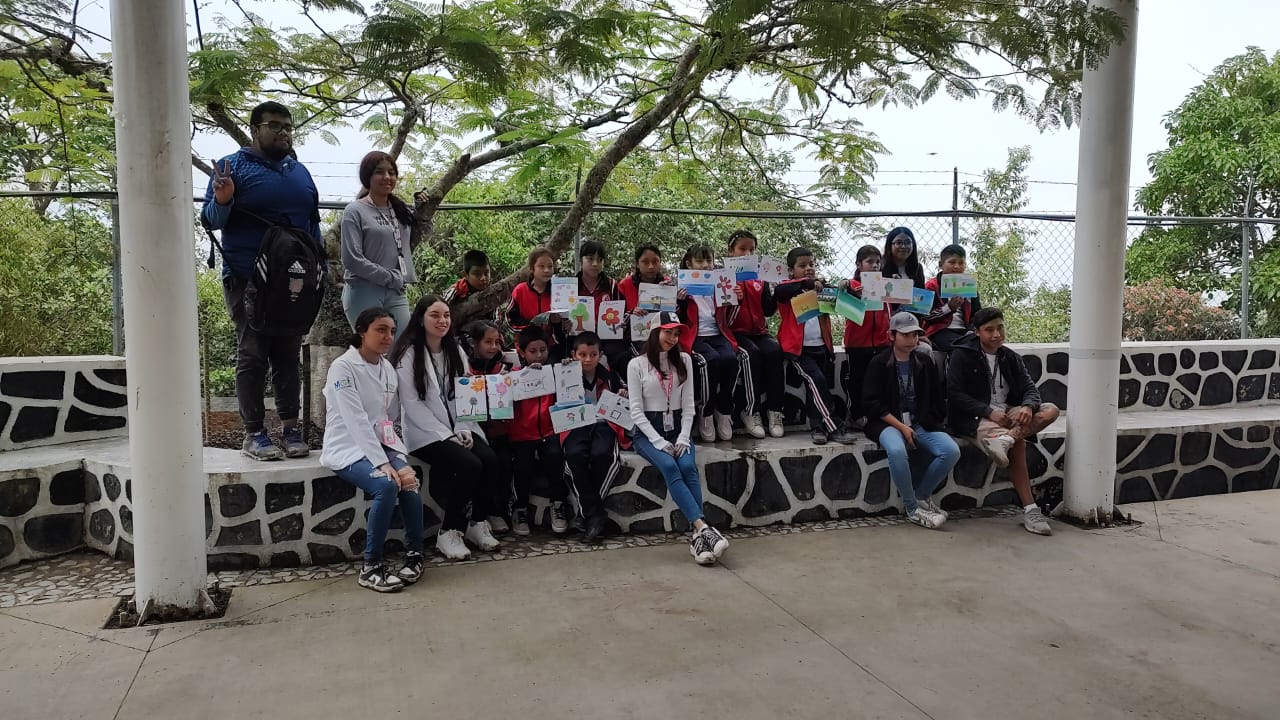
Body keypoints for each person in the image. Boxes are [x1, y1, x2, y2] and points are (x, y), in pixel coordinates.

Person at [201, 100, 321, 461]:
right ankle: (253, 434)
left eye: (287, 126)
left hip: (294, 280)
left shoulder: (299, 172)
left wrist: (321, 267)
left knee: (287, 354)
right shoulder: (231, 167)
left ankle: (290, 429)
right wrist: (223, 199)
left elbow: (312, 224)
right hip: (248, 278)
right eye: (274, 125)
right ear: (255, 130)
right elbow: (210, 220)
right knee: (253, 354)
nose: (283, 132)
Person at [319, 307, 424, 593]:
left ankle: (415, 556)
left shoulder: (386, 368)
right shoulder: (343, 367)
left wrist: (394, 456)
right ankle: (371, 567)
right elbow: (356, 420)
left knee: (409, 481)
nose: (388, 337)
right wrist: (381, 463)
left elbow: (387, 417)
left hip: (380, 443)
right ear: (361, 331)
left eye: (391, 331)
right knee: (386, 485)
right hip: (347, 447)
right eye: (380, 330)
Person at [392, 295, 504, 560]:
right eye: (435, 315)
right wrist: (447, 434)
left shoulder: (455, 351)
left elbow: (465, 394)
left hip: (459, 427)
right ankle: (449, 531)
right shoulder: (409, 354)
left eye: (446, 316)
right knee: (469, 465)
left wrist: (463, 426)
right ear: (421, 319)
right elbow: (412, 405)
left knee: (490, 460)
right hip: (425, 434)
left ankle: (477, 523)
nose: (442, 321)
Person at [627, 313, 730, 565]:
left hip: (677, 428)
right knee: (670, 466)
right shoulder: (636, 364)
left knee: (687, 466)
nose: (673, 338)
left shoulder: (684, 360)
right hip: (648, 432)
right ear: (655, 332)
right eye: (668, 332)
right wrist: (659, 442)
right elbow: (636, 411)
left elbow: (689, 405)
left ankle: (698, 538)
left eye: (676, 334)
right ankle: (703, 529)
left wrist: (684, 436)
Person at [947, 307, 1059, 536]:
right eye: (989, 330)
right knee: (1019, 444)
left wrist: (1027, 406)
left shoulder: (1010, 357)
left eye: (1000, 328)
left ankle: (1007, 439)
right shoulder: (962, 355)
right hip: (975, 417)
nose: (996, 334)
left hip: (1008, 412)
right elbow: (955, 394)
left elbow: (1030, 388)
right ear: (977, 332)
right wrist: (988, 411)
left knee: (1051, 410)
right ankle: (1031, 510)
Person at [862, 312, 960, 529]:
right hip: (887, 422)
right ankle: (912, 508)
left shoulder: (924, 361)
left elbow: (936, 398)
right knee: (897, 450)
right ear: (892, 335)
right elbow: (872, 404)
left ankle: (922, 496)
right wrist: (902, 428)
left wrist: (927, 421)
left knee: (951, 451)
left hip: (919, 421)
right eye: (905, 335)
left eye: (915, 335)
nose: (911, 340)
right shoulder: (879, 363)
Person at [773, 247, 858, 445]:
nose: (808, 268)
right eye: (802, 265)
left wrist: (847, 288)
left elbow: (845, 304)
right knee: (816, 380)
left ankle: (817, 428)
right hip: (799, 350)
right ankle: (833, 425)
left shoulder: (821, 288)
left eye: (811, 264)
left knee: (817, 387)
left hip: (822, 346)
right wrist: (807, 283)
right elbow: (779, 292)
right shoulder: (787, 288)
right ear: (791, 270)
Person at [339, 151, 416, 339]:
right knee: (372, 347)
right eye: (379, 172)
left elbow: (414, 239)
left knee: (402, 346)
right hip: (364, 290)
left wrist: (422, 208)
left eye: (392, 172)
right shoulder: (354, 210)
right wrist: (389, 277)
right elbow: (352, 260)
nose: (387, 177)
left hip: (395, 290)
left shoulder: (401, 210)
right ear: (367, 176)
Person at [561, 332, 626, 544]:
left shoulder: (610, 376)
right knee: (574, 456)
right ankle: (596, 516)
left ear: (600, 355)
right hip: (576, 424)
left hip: (604, 424)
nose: (588, 359)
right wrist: (563, 370)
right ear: (574, 355)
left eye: (593, 354)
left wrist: (623, 394)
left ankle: (586, 514)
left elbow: (625, 394)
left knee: (603, 455)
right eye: (582, 354)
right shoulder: (565, 375)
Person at [508, 326, 571, 534]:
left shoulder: (554, 372)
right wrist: (517, 378)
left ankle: (558, 504)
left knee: (555, 456)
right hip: (522, 434)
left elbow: (569, 393)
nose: (538, 355)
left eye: (543, 350)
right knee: (522, 465)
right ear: (522, 352)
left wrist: (567, 370)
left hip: (550, 430)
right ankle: (520, 508)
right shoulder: (514, 375)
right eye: (532, 351)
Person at [724, 229, 784, 439]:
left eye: (751, 250)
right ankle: (751, 410)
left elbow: (767, 310)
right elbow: (721, 315)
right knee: (751, 355)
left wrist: (776, 293)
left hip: (759, 331)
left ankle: (775, 411)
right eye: (742, 249)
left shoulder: (761, 276)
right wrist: (735, 299)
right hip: (734, 332)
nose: (747, 254)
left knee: (775, 351)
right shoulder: (723, 275)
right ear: (731, 251)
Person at [677, 245, 739, 442]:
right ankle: (706, 412)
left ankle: (724, 411)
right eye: (699, 261)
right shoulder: (681, 284)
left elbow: (730, 320)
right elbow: (676, 318)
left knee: (731, 360)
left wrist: (736, 300)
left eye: (709, 261)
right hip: (695, 336)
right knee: (710, 361)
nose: (705, 265)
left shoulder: (721, 283)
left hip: (718, 334)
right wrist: (680, 301)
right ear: (689, 264)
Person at [464, 320, 515, 535]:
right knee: (483, 464)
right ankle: (480, 514)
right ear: (474, 343)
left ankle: (497, 511)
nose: (493, 347)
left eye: (497, 342)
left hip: (499, 430)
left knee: (504, 465)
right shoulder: (463, 367)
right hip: (473, 430)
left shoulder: (505, 368)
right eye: (488, 342)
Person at [840, 245, 893, 430]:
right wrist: (852, 293)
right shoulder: (851, 285)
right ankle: (856, 415)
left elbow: (890, 311)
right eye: (870, 262)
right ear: (859, 264)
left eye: (878, 262)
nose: (875, 265)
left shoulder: (885, 285)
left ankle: (880, 415)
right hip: (857, 344)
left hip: (882, 342)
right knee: (857, 381)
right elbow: (841, 300)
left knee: (880, 381)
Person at [576, 239, 631, 377]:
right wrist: (564, 323)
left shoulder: (612, 286)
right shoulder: (571, 286)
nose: (595, 264)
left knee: (623, 357)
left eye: (600, 260)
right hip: (579, 337)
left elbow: (623, 312)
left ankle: (620, 387)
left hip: (608, 338)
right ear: (581, 260)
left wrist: (622, 324)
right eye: (590, 259)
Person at [507, 247, 568, 362]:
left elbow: (565, 325)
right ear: (532, 268)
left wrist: (558, 323)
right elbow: (511, 319)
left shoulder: (558, 292)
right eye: (541, 266)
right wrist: (531, 324)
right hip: (526, 348)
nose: (546, 270)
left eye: (550, 266)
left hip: (551, 348)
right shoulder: (520, 290)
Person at [616, 243, 671, 354]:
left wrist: (674, 298)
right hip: (634, 338)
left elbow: (674, 315)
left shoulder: (667, 284)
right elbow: (618, 320)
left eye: (655, 261)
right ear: (637, 264)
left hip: (662, 337)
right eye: (645, 262)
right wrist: (631, 313)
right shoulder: (624, 285)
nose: (651, 266)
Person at [881, 226, 928, 293]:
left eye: (908, 242)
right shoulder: (879, 266)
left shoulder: (917, 268)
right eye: (898, 243)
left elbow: (921, 294)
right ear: (889, 245)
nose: (903, 246)